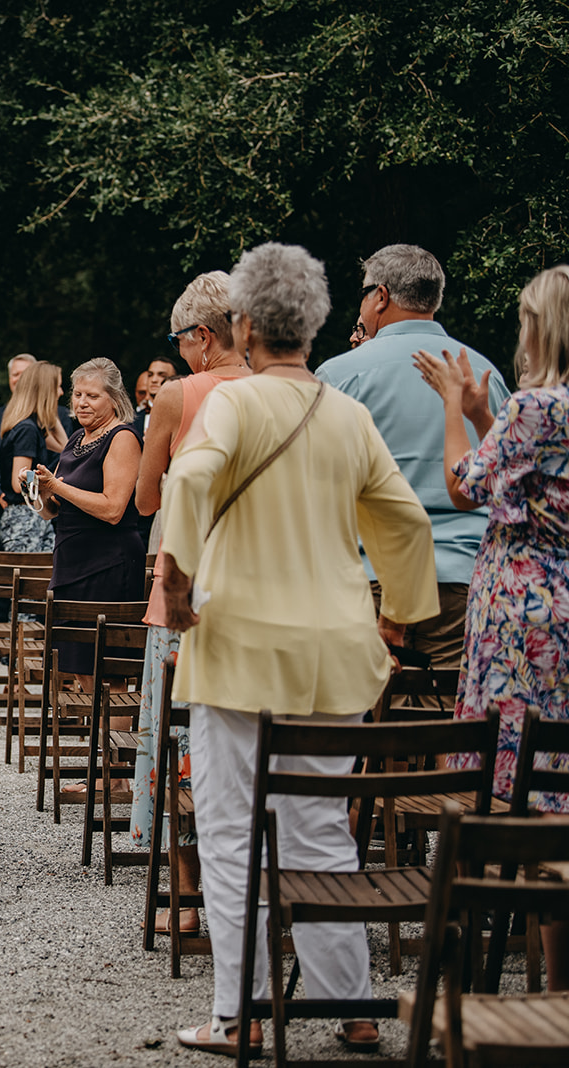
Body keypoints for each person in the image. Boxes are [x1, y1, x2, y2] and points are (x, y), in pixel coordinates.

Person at [158, 242, 438, 1056]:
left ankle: (237, 1012)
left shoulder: (235, 406)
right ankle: (350, 1004)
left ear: (243, 325)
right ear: (315, 324)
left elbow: (188, 480)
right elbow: (407, 523)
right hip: (337, 650)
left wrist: (175, 582)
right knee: (321, 827)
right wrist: (400, 617)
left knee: (231, 828)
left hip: (242, 644)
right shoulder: (349, 416)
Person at [413, 264, 569, 989]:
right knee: (558, 771)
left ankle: (490, 968)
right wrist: (484, 416)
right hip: (563, 599)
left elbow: (464, 484)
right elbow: (526, 478)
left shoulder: (538, 407)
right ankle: (549, 977)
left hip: (521, 611)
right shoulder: (539, 417)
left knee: (517, 783)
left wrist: (452, 406)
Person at [316, 244, 510, 669]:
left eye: (364, 295)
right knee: (454, 727)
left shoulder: (338, 375)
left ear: (381, 296)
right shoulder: (485, 375)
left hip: (369, 576)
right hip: (466, 578)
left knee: (364, 723)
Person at [127, 270, 249, 935]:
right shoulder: (280, 388)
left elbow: (145, 501)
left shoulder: (178, 395)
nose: (174, 352)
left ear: (203, 337)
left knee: (179, 736)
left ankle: (185, 896)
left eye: (178, 340)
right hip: (259, 586)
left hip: (185, 587)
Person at [31, 357, 146, 676]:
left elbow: (113, 509)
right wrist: (39, 492)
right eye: (78, 394)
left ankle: (114, 729)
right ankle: (95, 729)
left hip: (109, 563)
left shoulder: (122, 437)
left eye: (92, 396)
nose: (82, 403)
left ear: (114, 398)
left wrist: (57, 486)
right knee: (77, 665)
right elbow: (52, 510)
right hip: (71, 561)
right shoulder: (76, 438)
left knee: (111, 671)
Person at [0, 360, 67, 554]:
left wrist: (50, 414)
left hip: (34, 513)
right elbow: (17, 481)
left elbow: (65, 449)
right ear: (45, 390)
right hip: (24, 516)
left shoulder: (32, 427)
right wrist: (44, 482)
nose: (61, 392)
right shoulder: (27, 430)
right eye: (57, 387)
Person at [0, 353, 36, 550]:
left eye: (26, 374)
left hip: (41, 512)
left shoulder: (55, 416)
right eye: (15, 374)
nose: (19, 379)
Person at [132, 356, 177, 438]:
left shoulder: (181, 415)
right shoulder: (132, 420)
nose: (154, 380)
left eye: (162, 375)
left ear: (174, 379)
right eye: (150, 375)